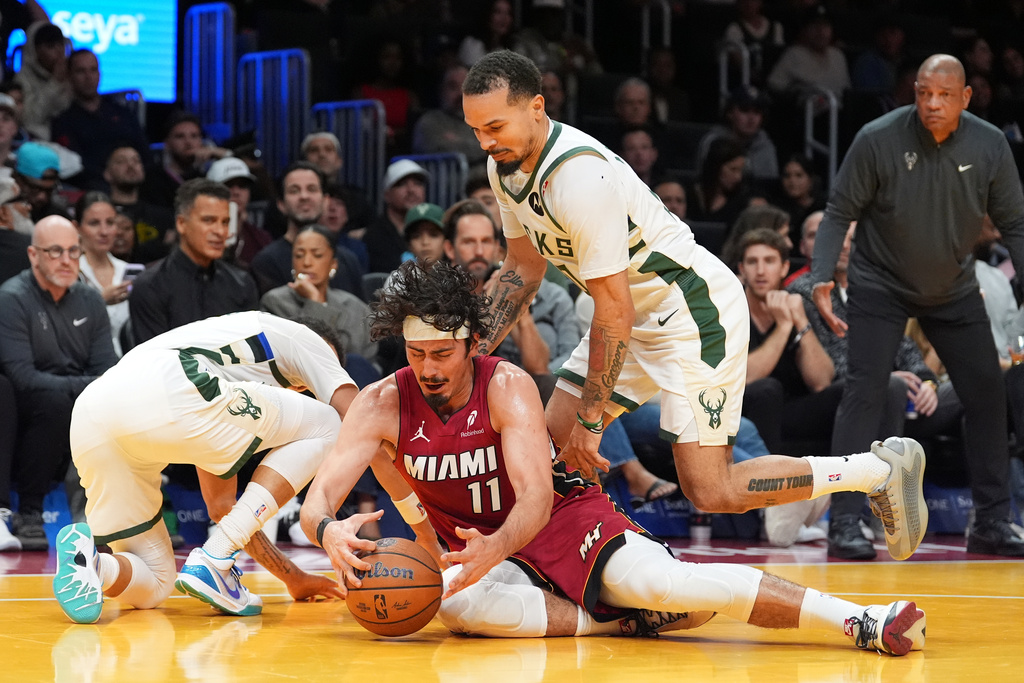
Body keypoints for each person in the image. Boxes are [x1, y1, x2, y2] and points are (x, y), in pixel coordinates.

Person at [300, 259, 926, 656]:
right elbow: (319, 496)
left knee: (667, 582)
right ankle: (621, 622)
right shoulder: (382, 402)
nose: (429, 369)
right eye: (417, 355)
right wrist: (327, 530)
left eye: (442, 353)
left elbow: (537, 497)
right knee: (454, 605)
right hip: (482, 548)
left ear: (468, 342)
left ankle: (862, 621)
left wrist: (495, 547)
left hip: (558, 520)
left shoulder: (506, 385)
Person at [461, 49, 927, 562]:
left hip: (692, 311)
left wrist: (592, 421)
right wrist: (465, 354)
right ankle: (556, 568)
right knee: (542, 450)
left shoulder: (577, 178)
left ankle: (877, 472)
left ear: (537, 108)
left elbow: (612, 309)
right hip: (630, 316)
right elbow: (522, 268)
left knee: (710, 488)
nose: (485, 140)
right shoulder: (502, 165)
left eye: (495, 126)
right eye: (476, 128)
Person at [811, 54, 1024, 557]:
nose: (932, 103)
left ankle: (991, 522)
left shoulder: (990, 143)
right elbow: (840, 210)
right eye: (924, 93)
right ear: (915, 92)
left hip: (951, 288)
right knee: (864, 392)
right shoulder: (877, 138)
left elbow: (1014, 225)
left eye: (944, 95)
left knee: (988, 394)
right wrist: (821, 276)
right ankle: (844, 522)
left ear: (966, 98)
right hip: (879, 283)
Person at [50, 311, 359, 624]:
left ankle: (90, 562)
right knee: (330, 423)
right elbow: (361, 423)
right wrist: (412, 515)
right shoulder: (301, 339)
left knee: (156, 584)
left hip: (93, 415)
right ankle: (214, 560)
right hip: (167, 383)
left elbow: (222, 507)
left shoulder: (226, 375)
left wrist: (292, 577)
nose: (309, 385)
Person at [0, 216, 117, 550]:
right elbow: (23, 378)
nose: (66, 260)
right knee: (54, 404)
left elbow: (108, 370)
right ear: (33, 255)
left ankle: (118, 517)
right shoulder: (11, 299)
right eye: (55, 252)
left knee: (116, 402)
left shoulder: (91, 300)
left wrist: (82, 388)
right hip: (28, 408)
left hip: (77, 397)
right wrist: (83, 386)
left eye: (73, 251)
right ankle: (30, 513)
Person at [129, 179, 258, 345]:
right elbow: (155, 363)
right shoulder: (150, 286)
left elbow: (252, 354)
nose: (220, 231)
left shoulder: (242, 284)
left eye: (225, 222)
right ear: (181, 224)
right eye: (209, 220)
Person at [260, 224, 377, 363]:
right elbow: (305, 355)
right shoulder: (275, 302)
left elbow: (369, 365)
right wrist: (315, 301)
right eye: (299, 255)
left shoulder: (356, 307)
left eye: (317, 255)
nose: (307, 262)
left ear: (333, 264)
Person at [249, 162, 364, 299]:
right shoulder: (266, 263)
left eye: (312, 189)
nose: (304, 196)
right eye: (294, 191)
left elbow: (360, 315)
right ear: (281, 204)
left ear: (325, 200)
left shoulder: (348, 260)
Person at [51, 49, 149, 191]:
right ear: (69, 76)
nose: (88, 77)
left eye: (93, 70)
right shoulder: (63, 122)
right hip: (95, 188)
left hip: (137, 185)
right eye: (81, 71)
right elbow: (76, 167)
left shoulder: (122, 113)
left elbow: (144, 153)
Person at [74, 192, 134, 356]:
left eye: (110, 223)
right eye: (94, 223)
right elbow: (64, 327)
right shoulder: (69, 272)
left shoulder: (125, 270)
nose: (104, 231)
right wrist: (100, 301)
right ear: (76, 227)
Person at [103, 145, 175, 263]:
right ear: (107, 174)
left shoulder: (163, 216)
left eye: (136, 161)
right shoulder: (100, 215)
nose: (131, 165)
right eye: (121, 161)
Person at [696, 86, 779, 185]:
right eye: (745, 110)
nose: (751, 118)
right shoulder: (713, 142)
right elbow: (705, 182)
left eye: (757, 112)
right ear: (730, 113)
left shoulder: (765, 146)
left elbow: (769, 187)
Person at [411, 64, 488, 171]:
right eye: (453, 87)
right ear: (441, 91)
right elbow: (441, 151)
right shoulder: (429, 122)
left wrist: (457, 142)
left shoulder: (484, 122)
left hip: (483, 185)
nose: (461, 93)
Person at [363, 159, 430, 274]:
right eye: (402, 184)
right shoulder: (374, 236)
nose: (411, 190)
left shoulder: (436, 228)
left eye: (417, 183)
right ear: (387, 195)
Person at [206, 157, 272, 269]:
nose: (236, 192)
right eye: (228, 185)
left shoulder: (262, 239)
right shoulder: (198, 237)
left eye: (242, 186)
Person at [14, 22, 71, 141]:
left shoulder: (72, 73)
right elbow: (29, 120)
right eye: (51, 46)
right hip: (38, 142)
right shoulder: (22, 80)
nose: (59, 51)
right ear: (35, 50)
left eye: (61, 44)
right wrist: (54, 83)